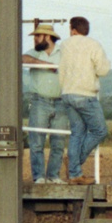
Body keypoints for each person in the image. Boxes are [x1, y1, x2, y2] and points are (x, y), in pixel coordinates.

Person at [59, 15, 111, 185]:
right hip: (85, 94)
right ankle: (74, 165)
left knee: (77, 132)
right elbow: (103, 70)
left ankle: (75, 173)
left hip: (67, 93)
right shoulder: (93, 45)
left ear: (73, 30)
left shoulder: (64, 45)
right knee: (99, 130)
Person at [21, 23, 68, 183]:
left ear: (47, 37)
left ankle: (53, 176)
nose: (35, 39)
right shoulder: (34, 53)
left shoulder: (64, 53)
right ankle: (39, 177)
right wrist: (48, 66)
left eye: (37, 36)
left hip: (61, 101)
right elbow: (23, 59)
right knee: (36, 141)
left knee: (58, 142)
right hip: (40, 101)